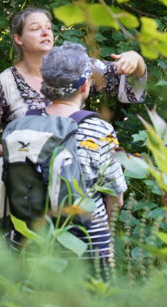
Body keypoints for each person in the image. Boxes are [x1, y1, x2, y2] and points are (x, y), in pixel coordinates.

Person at [0, 7, 147, 166]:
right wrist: (19, 152)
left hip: (75, 175)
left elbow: (130, 84)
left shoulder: (75, 66)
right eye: (35, 28)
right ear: (18, 38)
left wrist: (135, 58)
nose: (45, 32)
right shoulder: (2, 84)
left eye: (48, 27)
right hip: (27, 181)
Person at [37, 43, 130, 274]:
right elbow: (116, 199)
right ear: (85, 86)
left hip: (32, 243)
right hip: (88, 246)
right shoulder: (99, 130)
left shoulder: (22, 125)